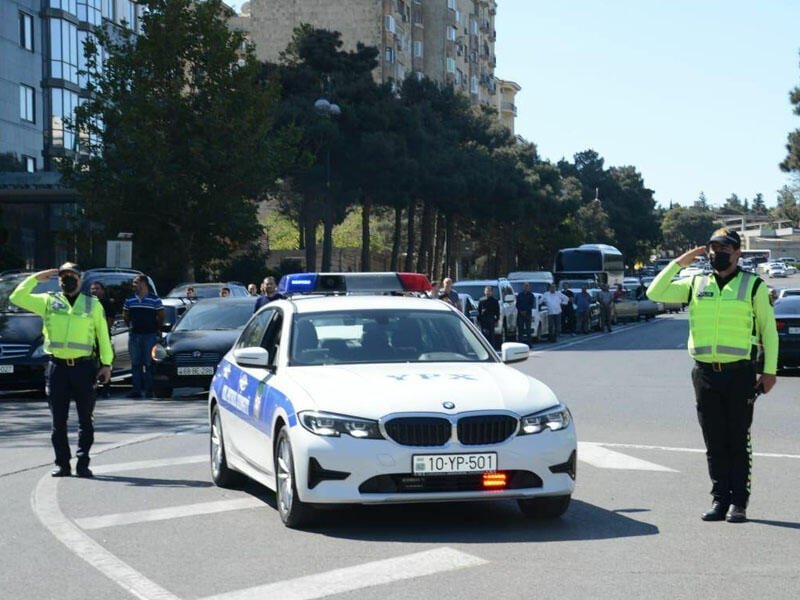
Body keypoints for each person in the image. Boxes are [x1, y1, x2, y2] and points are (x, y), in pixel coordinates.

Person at [647, 228, 778, 523]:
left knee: (737, 438)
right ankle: (720, 499)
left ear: (737, 253)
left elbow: (769, 331)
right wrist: (681, 261)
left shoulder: (753, 285)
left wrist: (769, 371)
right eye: (712, 248)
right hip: (705, 374)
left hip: (740, 374)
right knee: (714, 440)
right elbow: (654, 292)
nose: (716, 254)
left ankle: (739, 503)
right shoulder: (696, 283)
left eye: (724, 249)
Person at [9, 263, 113, 478]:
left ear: (80, 279)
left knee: (86, 419)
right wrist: (37, 278)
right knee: (59, 421)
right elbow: (16, 297)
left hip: (84, 368)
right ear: (58, 280)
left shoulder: (92, 304)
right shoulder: (49, 301)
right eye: (63, 276)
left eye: (72, 275)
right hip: (57, 368)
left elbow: (103, 336)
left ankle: (83, 463)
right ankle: (62, 464)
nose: (67, 280)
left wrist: (106, 364)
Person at [123, 274, 164, 399]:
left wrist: (157, 328)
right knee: (135, 364)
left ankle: (149, 390)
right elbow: (125, 315)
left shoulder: (155, 299)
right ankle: (136, 390)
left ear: (144, 284)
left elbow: (161, 316)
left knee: (149, 363)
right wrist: (131, 326)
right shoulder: (130, 299)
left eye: (136, 282)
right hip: (135, 335)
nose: (134, 285)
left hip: (150, 335)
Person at [89, 281, 114, 398]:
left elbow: (110, 321)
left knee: (105, 364)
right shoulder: (88, 304)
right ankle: (92, 388)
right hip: (90, 340)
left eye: (97, 288)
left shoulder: (107, 304)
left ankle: (106, 389)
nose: (94, 291)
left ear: (103, 291)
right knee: (92, 365)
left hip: (103, 339)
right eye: (92, 289)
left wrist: (101, 333)